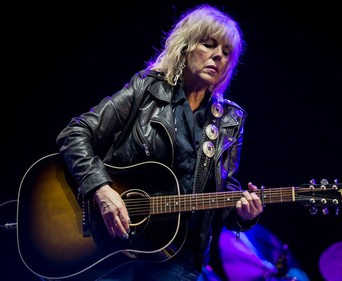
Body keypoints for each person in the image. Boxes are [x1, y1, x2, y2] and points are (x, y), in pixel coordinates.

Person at [56, 4, 263, 281]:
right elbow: (75, 133)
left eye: (226, 53)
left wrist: (245, 215)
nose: (218, 56)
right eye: (209, 44)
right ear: (186, 46)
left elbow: (224, 192)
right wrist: (101, 189)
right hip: (113, 243)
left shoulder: (229, 120)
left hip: (178, 257)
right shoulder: (146, 89)